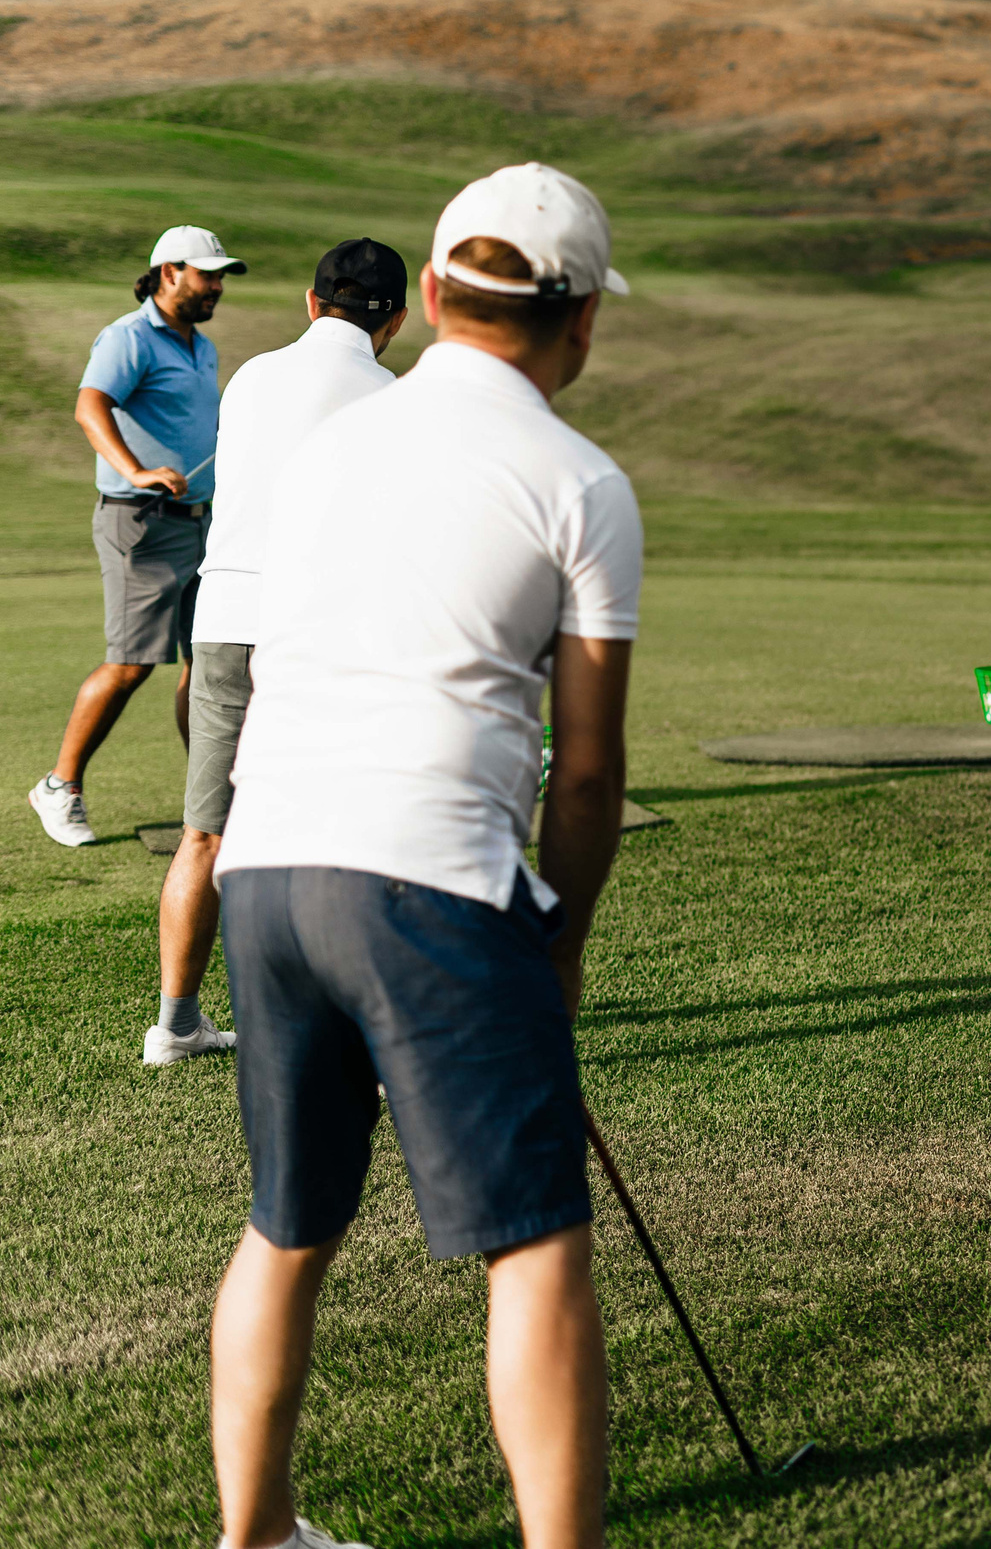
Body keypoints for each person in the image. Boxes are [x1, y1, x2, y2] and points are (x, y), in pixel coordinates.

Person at [207, 165, 637, 1549]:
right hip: (429, 881)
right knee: (536, 1243)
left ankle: (257, 1533)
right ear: (577, 325)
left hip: (263, 873)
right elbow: (584, 769)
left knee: (288, 1223)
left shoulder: (336, 444)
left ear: (437, 294)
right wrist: (555, 945)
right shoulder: (583, 479)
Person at [144, 241, 407, 1070]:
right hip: (319, 631)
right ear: (395, 321)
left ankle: (174, 1026)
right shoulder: (395, 396)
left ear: (310, 301)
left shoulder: (250, 375)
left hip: (224, 616)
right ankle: (332, 1020)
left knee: (204, 837)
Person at [29, 226, 244, 849]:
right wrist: (136, 470)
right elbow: (90, 405)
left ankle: (214, 799)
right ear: (170, 272)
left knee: (203, 664)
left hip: (200, 525)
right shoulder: (128, 337)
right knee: (130, 665)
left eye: (221, 276)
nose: (218, 287)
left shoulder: (200, 346)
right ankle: (58, 785)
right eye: (209, 275)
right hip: (140, 521)